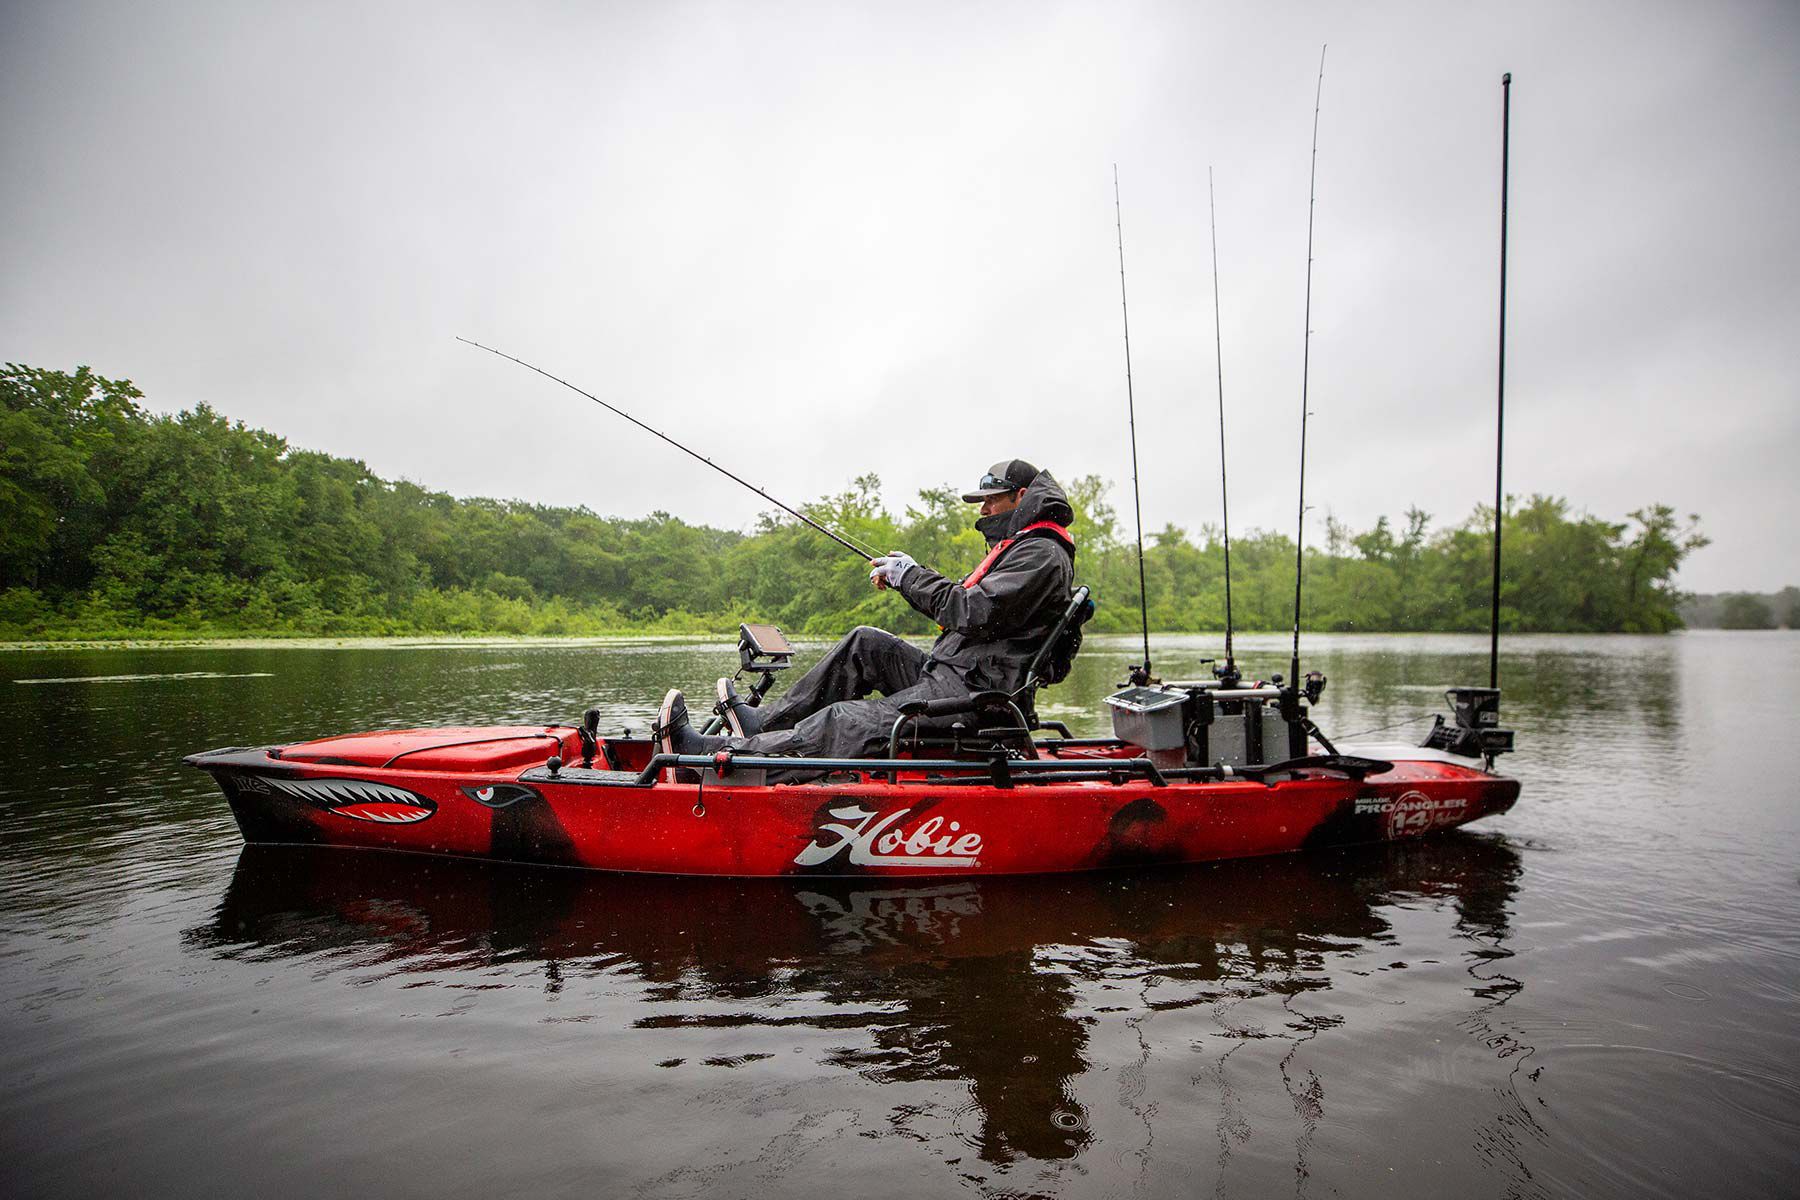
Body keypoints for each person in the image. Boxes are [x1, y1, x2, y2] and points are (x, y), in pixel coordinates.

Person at [653, 458, 1076, 765]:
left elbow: (972, 611)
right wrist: (907, 574)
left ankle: (714, 756)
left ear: (1021, 497)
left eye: (991, 501)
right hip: (959, 677)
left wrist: (908, 576)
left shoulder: (1040, 554)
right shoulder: (1024, 549)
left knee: (846, 720)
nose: (982, 511)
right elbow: (967, 607)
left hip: (977, 699)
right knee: (866, 643)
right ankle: (763, 725)